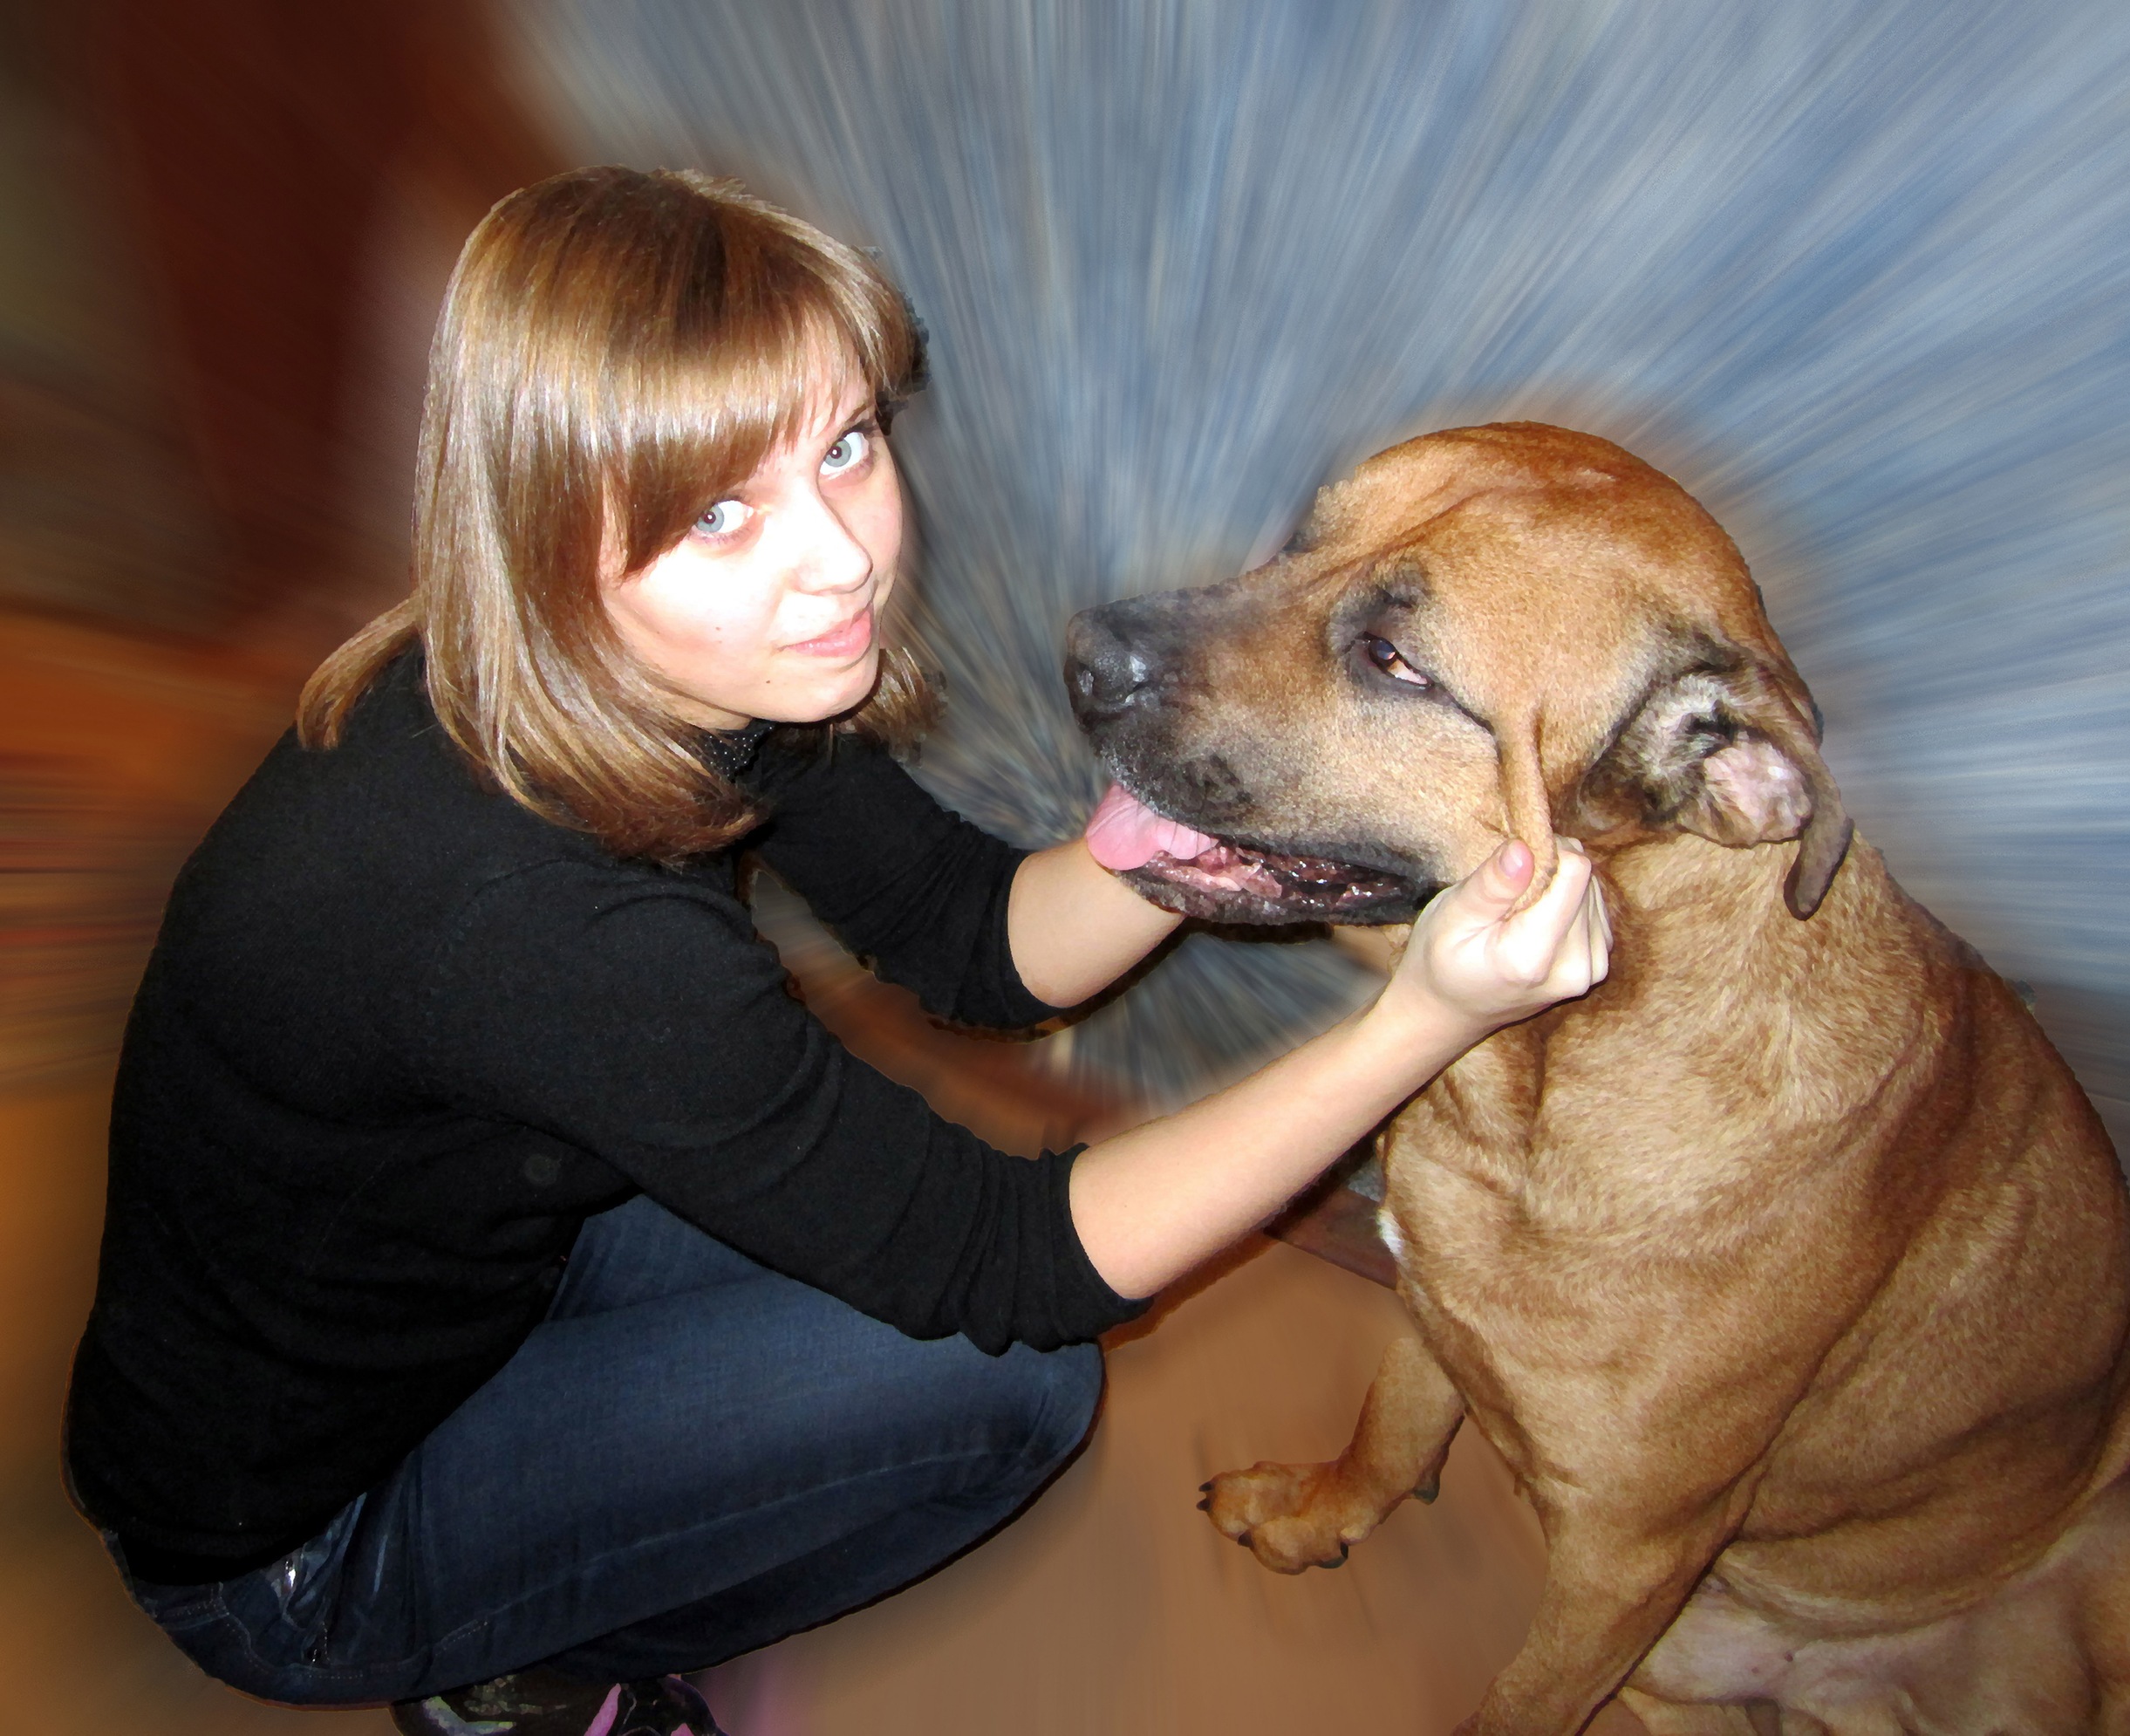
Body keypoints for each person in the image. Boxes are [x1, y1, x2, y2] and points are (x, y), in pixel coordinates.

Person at [63, 167, 1608, 1736]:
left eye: (847, 443)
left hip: (476, 1273)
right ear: (543, 530)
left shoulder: (656, 670)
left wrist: (1185, 835)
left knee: (935, 1305)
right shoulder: (549, 929)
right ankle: (512, 1673)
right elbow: (1018, 1261)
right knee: (1017, 1386)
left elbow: (973, 938)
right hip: (296, 1539)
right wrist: (1419, 1022)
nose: (840, 558)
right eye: (717, 510)